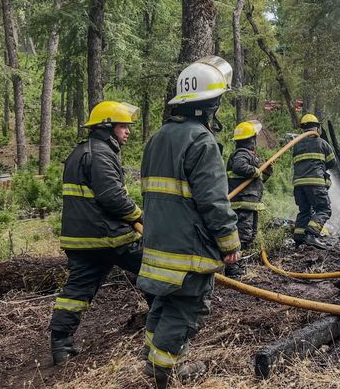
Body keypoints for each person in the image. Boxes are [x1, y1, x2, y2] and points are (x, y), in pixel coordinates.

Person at [137, 56, 240, 388]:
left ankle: (151, 358)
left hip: (158, 246)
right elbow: (213, 200)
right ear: (211, 104)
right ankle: (164, 371)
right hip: (187, 249)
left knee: (164, 303)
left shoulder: (157, 138)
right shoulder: (201, 140)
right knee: (185, 310)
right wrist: (229, 243)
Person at [50, 101, 147, 365]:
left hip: (80, 239)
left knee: (76, 291)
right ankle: (163, 319)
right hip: (108, 236)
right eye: (123, 125)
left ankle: (61, 345)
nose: (127, 131)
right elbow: (112, 196)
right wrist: (140, 217)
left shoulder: (80, 151)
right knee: (153, 267)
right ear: (107, 127)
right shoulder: (102, 153)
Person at [225, 120, 273, 277]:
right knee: (242, 235)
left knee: (249, 236)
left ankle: (236, 262)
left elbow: (255, 181)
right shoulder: (241, 154)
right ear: (251, 140)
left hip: (250, 203)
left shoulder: (248, 156)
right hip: (242, 204)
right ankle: (231, 266)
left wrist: (265, 172)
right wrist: (256, 171)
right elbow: (240, 168)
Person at [291, 113, 336, 249]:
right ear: (317, 128)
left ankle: (299, 239)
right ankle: (311, 235)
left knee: (304, 211)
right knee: (324, 209)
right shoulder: (322, 143)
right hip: (315, 183)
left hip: (298, 185)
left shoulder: (296, 146)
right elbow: (332, 163)